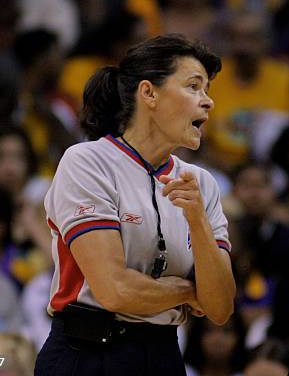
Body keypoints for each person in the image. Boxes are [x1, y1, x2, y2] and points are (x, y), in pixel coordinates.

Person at [34, 34, 236, 375]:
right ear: (149, 93)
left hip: (163, 354)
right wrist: (189, 292)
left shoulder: (202, 183)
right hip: (86, 353)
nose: (208, 102)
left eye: (207, 90)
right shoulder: (87, 161)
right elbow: (114, 290)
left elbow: (219, 307)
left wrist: (197, 220)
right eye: (193, 86)